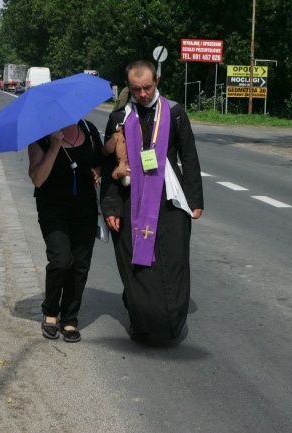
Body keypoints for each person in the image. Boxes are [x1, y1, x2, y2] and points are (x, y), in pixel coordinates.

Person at [100, 60, 204, 341]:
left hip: (168, 198)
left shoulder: (175, 112)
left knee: (174, 260)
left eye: (147, 87)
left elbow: (190, 158)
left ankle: (172, 323)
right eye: (136, 90)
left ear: (156, 81)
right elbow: (110, 164)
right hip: (129, 198)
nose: (143, 94)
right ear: (128, 87)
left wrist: (194, 200)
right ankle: (141, 322)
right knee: (136, 265)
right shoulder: (119, 117)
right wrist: (110, 206)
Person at [28, 120, 103, 342]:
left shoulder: (88, 130)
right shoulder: (40, 137)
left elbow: (99, 162)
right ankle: (50, 312)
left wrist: (96, 172)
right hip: (53, 209)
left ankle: (70, 319)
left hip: (85, 208)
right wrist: (54, 146)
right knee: (61, 261)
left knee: (80, 264)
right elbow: (38, 178)